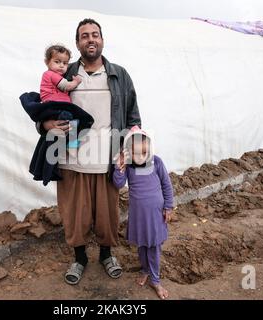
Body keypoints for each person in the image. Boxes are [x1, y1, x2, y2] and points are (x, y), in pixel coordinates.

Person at [35, 18, 141, 285]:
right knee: (74, 214)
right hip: (71, 157)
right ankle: (79, 258)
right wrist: (45, 124)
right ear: (77, 43)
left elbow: (133, 117)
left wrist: (126, 150)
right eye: (84, 36)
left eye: (95, 35)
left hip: (106, 159)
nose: (90, 39)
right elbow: (43, 105)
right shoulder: (63, 73)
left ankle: (106, 254)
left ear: (102, 40)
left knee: (107, 214)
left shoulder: (119, 75)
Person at [113, 126, 174, 300]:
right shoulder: (130, 167)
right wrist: (120, 167)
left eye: (144, 152)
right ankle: (145, 269)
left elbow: (166, 185)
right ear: (128, 153)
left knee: (153, 247)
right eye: (136, 153)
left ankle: (155, 280)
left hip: (155, 216)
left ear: (150, 149)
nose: (141, 157)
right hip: (139, 217)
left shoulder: (157, 162)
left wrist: (168, 207)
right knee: (141, 246)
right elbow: (118, 184)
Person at [40, 44, 82, 149]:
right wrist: (76, 81)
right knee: (68, 120)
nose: (62, 65)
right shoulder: (50, 74)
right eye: (57, 62)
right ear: (47, 62)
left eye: (65, 63)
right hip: (55, 106)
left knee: (70, 123)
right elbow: (66, 86)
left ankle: (68, 142)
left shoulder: (54, 75)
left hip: (55, 106)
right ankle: (70, 143)